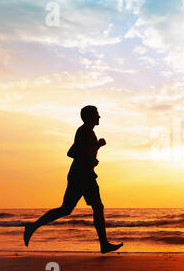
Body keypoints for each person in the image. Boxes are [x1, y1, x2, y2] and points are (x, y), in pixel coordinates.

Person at [24, 105, 123, 254]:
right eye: (96, 114)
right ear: (89, 117)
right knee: (95, 207)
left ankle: (33, 226)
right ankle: (104, 244)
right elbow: (74, 153)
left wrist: (92, 160)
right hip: (82, 176)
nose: (99, 117)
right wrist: (98, 146)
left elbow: (74, 152)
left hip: (82, 174)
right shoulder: (84, 132)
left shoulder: (86, 132)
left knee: (68, 209)